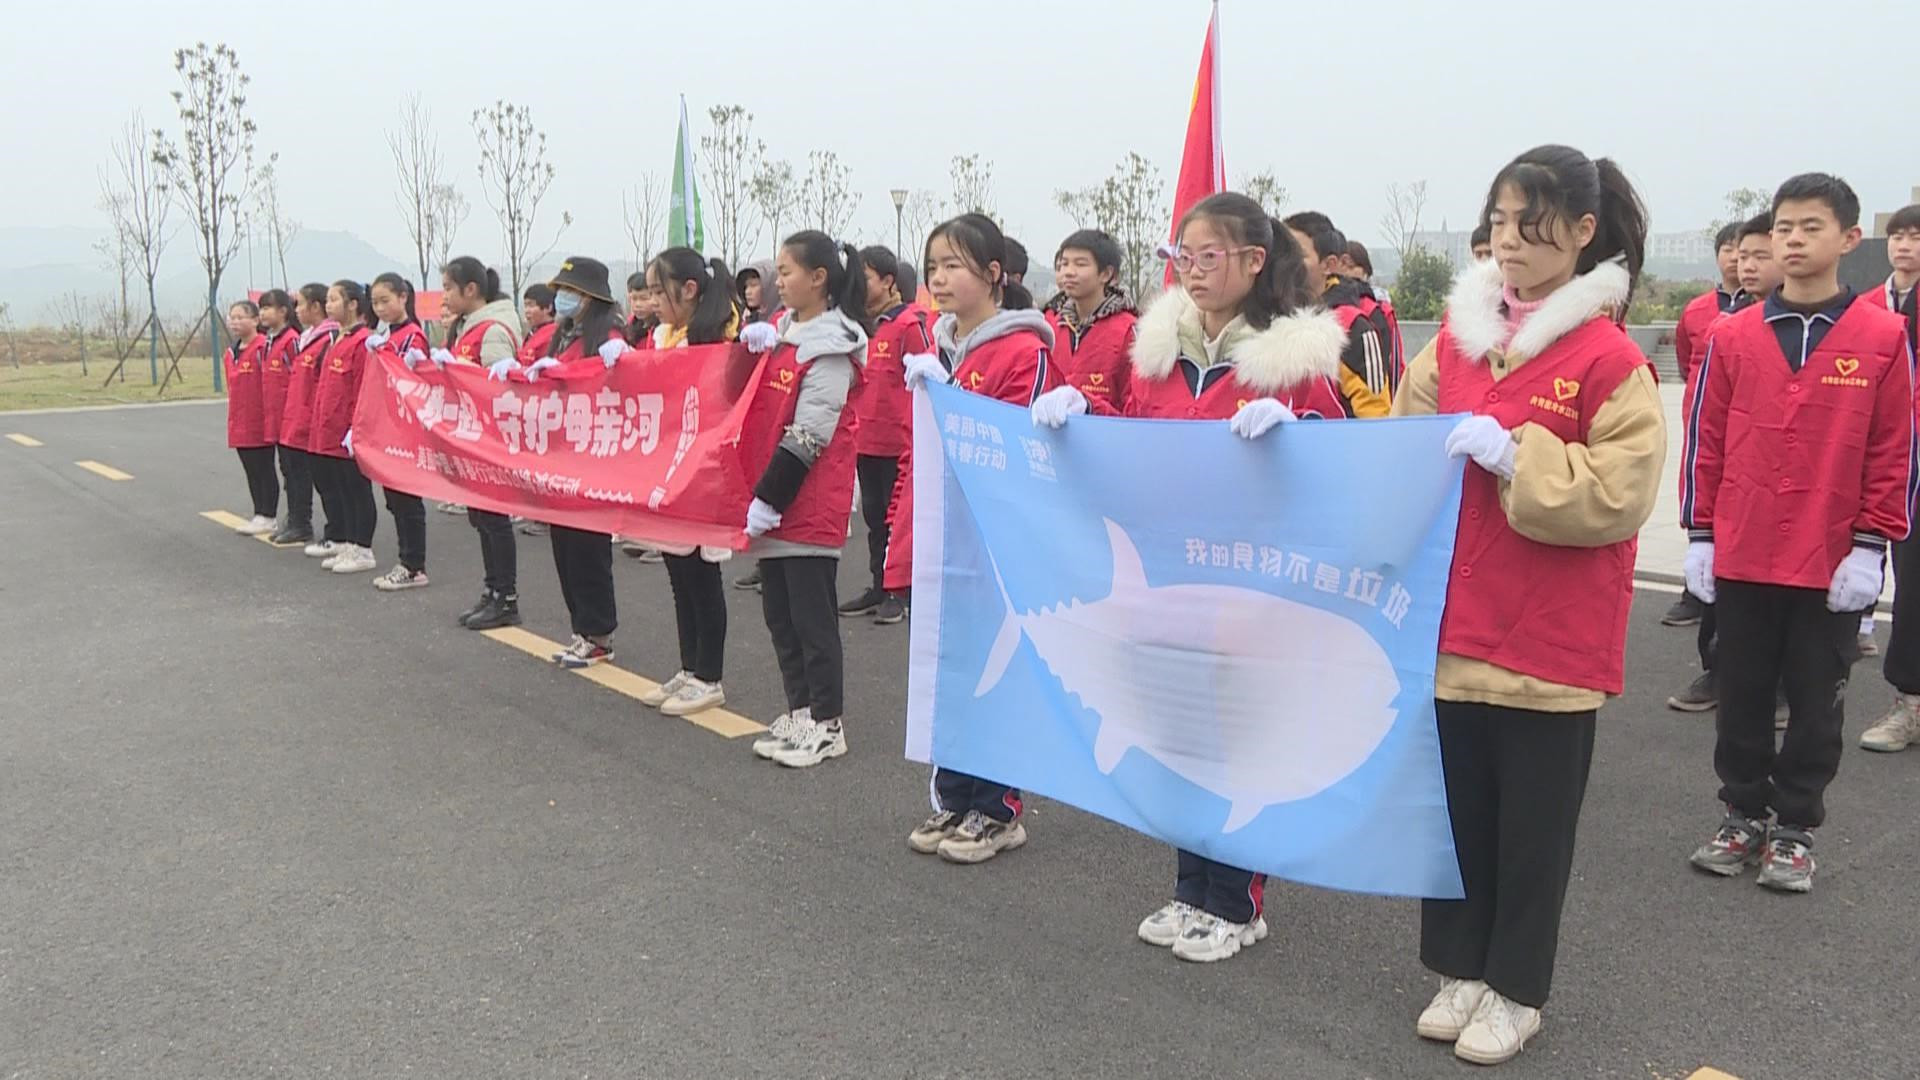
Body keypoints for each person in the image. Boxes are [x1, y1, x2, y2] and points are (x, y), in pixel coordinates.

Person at [1394, 144, 1662, 1065]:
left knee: (1532, 832)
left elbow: (1623, 490)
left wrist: (1522, 459)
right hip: (1454, 625)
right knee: (1456, 818)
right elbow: (1403, 439)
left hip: (1547, 641)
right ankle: (1458, 969)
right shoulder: (1459, 336)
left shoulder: (1609, 355)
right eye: (1500, 221)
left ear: (1584, 233)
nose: (1509, 241)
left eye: (1531, 223)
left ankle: (1516, 990)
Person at [1031, 192, 1348, 965]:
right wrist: (1084, 411)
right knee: (1176, 736)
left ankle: (1235, 902)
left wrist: (1299, 435)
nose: (1195, 272)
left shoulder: (1293, 360)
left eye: (1212, 256)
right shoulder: (1158, 354)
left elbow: (1347, 465)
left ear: (1254, 261)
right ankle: (1189, 886)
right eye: (1184, 257)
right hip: (1168, 584)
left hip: (1249, 590)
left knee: (1237, 744)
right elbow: (1126, 441)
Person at [1682, 173, 1913, 893]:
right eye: (1783, 228)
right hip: (1746, 547)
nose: (1792, 240)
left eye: (1810, 227)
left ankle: (1795, 826)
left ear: (1848, 239)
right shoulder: (1733, 335)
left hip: (1830, 554)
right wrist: (1701, 533)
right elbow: (1706, 438)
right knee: (1743, 691)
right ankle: (1741, 811)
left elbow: (1894, 444)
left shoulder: (1882, 337)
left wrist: (1874, 544)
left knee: (1817, 699)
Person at [890, 213, 1060, 862]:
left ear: (994, 275)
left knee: (997, 676)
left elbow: (1026, 453)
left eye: (954, 265)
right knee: (949, 673)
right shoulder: (938, 352)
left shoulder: (1023, 352)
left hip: (993, 549)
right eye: (932, 266)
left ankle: (998, 807)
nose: (939, 278)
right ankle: (954, 797)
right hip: (940, 542)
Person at [736, 233, 870, 768]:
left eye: (788, 270)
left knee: (813, 620)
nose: (778, 280)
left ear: (819, 278)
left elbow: (810, 434)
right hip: (776, 494)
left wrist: (769, 497)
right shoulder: (786, 332)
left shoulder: (833, 345)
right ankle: (799, 709)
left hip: (808, 499)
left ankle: (828, 721)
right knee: (780, 616)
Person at [1666, 213, 1784, 713]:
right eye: (1740, 253)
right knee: (1724, 583)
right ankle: (1718, 670)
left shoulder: (1840, 330)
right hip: (1731, 472)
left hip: (1790, 481)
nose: (1744, 263)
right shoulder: (1715, 323)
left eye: (1759, 254)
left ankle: (1784, 689)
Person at [496, 257, 629, 668]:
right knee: (564, 548)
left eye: (571, 291)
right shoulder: (562, 334)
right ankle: (580, 630)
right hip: (558, 458)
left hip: (591, 459)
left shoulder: (608, 335)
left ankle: (599, 634)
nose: (563, 298)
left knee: (588, 551)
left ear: (591, 296)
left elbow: (618, 384)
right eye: (561, 290)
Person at [630, 246, 740, 716]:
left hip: (703, 469)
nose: (653, 301)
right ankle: (688, 665)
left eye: (660, 291)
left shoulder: (722, 339)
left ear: (690, 289)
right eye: (649, 291)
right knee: (678, 572)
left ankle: (709, 676)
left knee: (701, 574)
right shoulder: (661, 336)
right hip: (668, 467)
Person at [837, 245, 930, 624]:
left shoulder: (909, 324)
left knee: (897, 520)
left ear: (889, 282)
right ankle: (879, 584)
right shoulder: (865, 326)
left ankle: (901, 591)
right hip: (867, 438)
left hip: (899, 442)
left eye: (867, 278)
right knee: (875, 518)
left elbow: (926, 382)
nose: (860, 286)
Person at [1662, 222, 1746, 628]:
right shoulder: (1696, 309)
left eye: (1744, 251)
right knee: (1698, 494)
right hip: (1703, 422)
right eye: (1728, 249)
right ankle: (1694, 591)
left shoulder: (1762, 311)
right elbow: (1684, 359)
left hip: (1747, 424)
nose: (1735, 258)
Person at [439, 256, 526, 630]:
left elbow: (499, 389)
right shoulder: (464, 327)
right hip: (469, 438)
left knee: (494, 520)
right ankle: (492, 589)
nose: (444, 297)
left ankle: (506, 596)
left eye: (447, 288)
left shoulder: (491, 329)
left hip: (489, 440)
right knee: (480, 517)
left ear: (470, 290)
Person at [1861, 204, 1920, 751]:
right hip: (1895, 460)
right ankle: (1911, 702)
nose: (1905, 245)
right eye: (1898, 236)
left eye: (1915, 236)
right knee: (1911, 579)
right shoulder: (1868, 307)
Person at [1284, 211, 1392, 417]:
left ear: (1328, 265)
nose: (1284, 262)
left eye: (1296, 254)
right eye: (1281, 253)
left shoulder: (1353, 328)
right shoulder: (1265, 316)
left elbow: (1375, 418)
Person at [365, 273, 433, 591]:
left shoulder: (412, 336)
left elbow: (414, 381)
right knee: (394, 498)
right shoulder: (385, 335)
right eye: (375, 302)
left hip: (406, 429)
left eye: (385, 300)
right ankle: (406, 561)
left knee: (407, 499)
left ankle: (413, 565)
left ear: (403, 298)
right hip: (388, 427)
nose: (379, 308)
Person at [308, 280, 379, 575]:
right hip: (329, 428)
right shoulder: (337, 338)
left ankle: (363, 547)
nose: (329, 305)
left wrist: (356, 428)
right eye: (327, 300)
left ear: (353, 305)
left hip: (351, 430)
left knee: (357, 488)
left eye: (335, 299)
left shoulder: (362, 341)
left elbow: (364, 389)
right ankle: (349, 542)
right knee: (341, 488)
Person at [1044, 228, 1138, 413]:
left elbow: (1135, 410)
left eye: (1080, 264)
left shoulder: (1128, 331)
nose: (1068, 272)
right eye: (1064, 264)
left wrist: (1089, 407)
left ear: (1106, 274)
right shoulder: (1052, 327)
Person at [283, 284, 342, 559]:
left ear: (314, 308)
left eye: (301, 304)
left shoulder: (329, 338)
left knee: (328, 481)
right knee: (297, 474)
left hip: (314, 419)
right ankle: (299, 523)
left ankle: (335, 533)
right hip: (297, 417)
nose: (297, 311)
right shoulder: (308, 338)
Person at [223, 300, 277, 535]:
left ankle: (269, 514)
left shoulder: (263, 348)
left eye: (240, 317)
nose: (235, 322)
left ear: (255, 320)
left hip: (259, 421)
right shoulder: (231, 353)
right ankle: (259, 512)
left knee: (264, 468)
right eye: (232, 317)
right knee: (251, 470)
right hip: (239, 421)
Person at [256, 290, 305, 544]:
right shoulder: (269, 340)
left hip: (291, 418)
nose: (262, 313)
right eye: (261, 308)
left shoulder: (292, 340)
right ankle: (293, 518)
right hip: (275, 418)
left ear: (284, 312)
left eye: (268, 308)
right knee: (287, 470)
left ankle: (301, 521)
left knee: (296, 472)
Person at [519, 283, 558, 363]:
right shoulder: (532, 333)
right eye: (525, 306)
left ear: (548, 308)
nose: (527, 311)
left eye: (531, 305)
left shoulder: (553, 336)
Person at [737, 259, 776, 324]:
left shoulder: (784, 321)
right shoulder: (745, 320)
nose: (747, 292)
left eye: (753, 285)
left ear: (769, 285)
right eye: (746, 287)